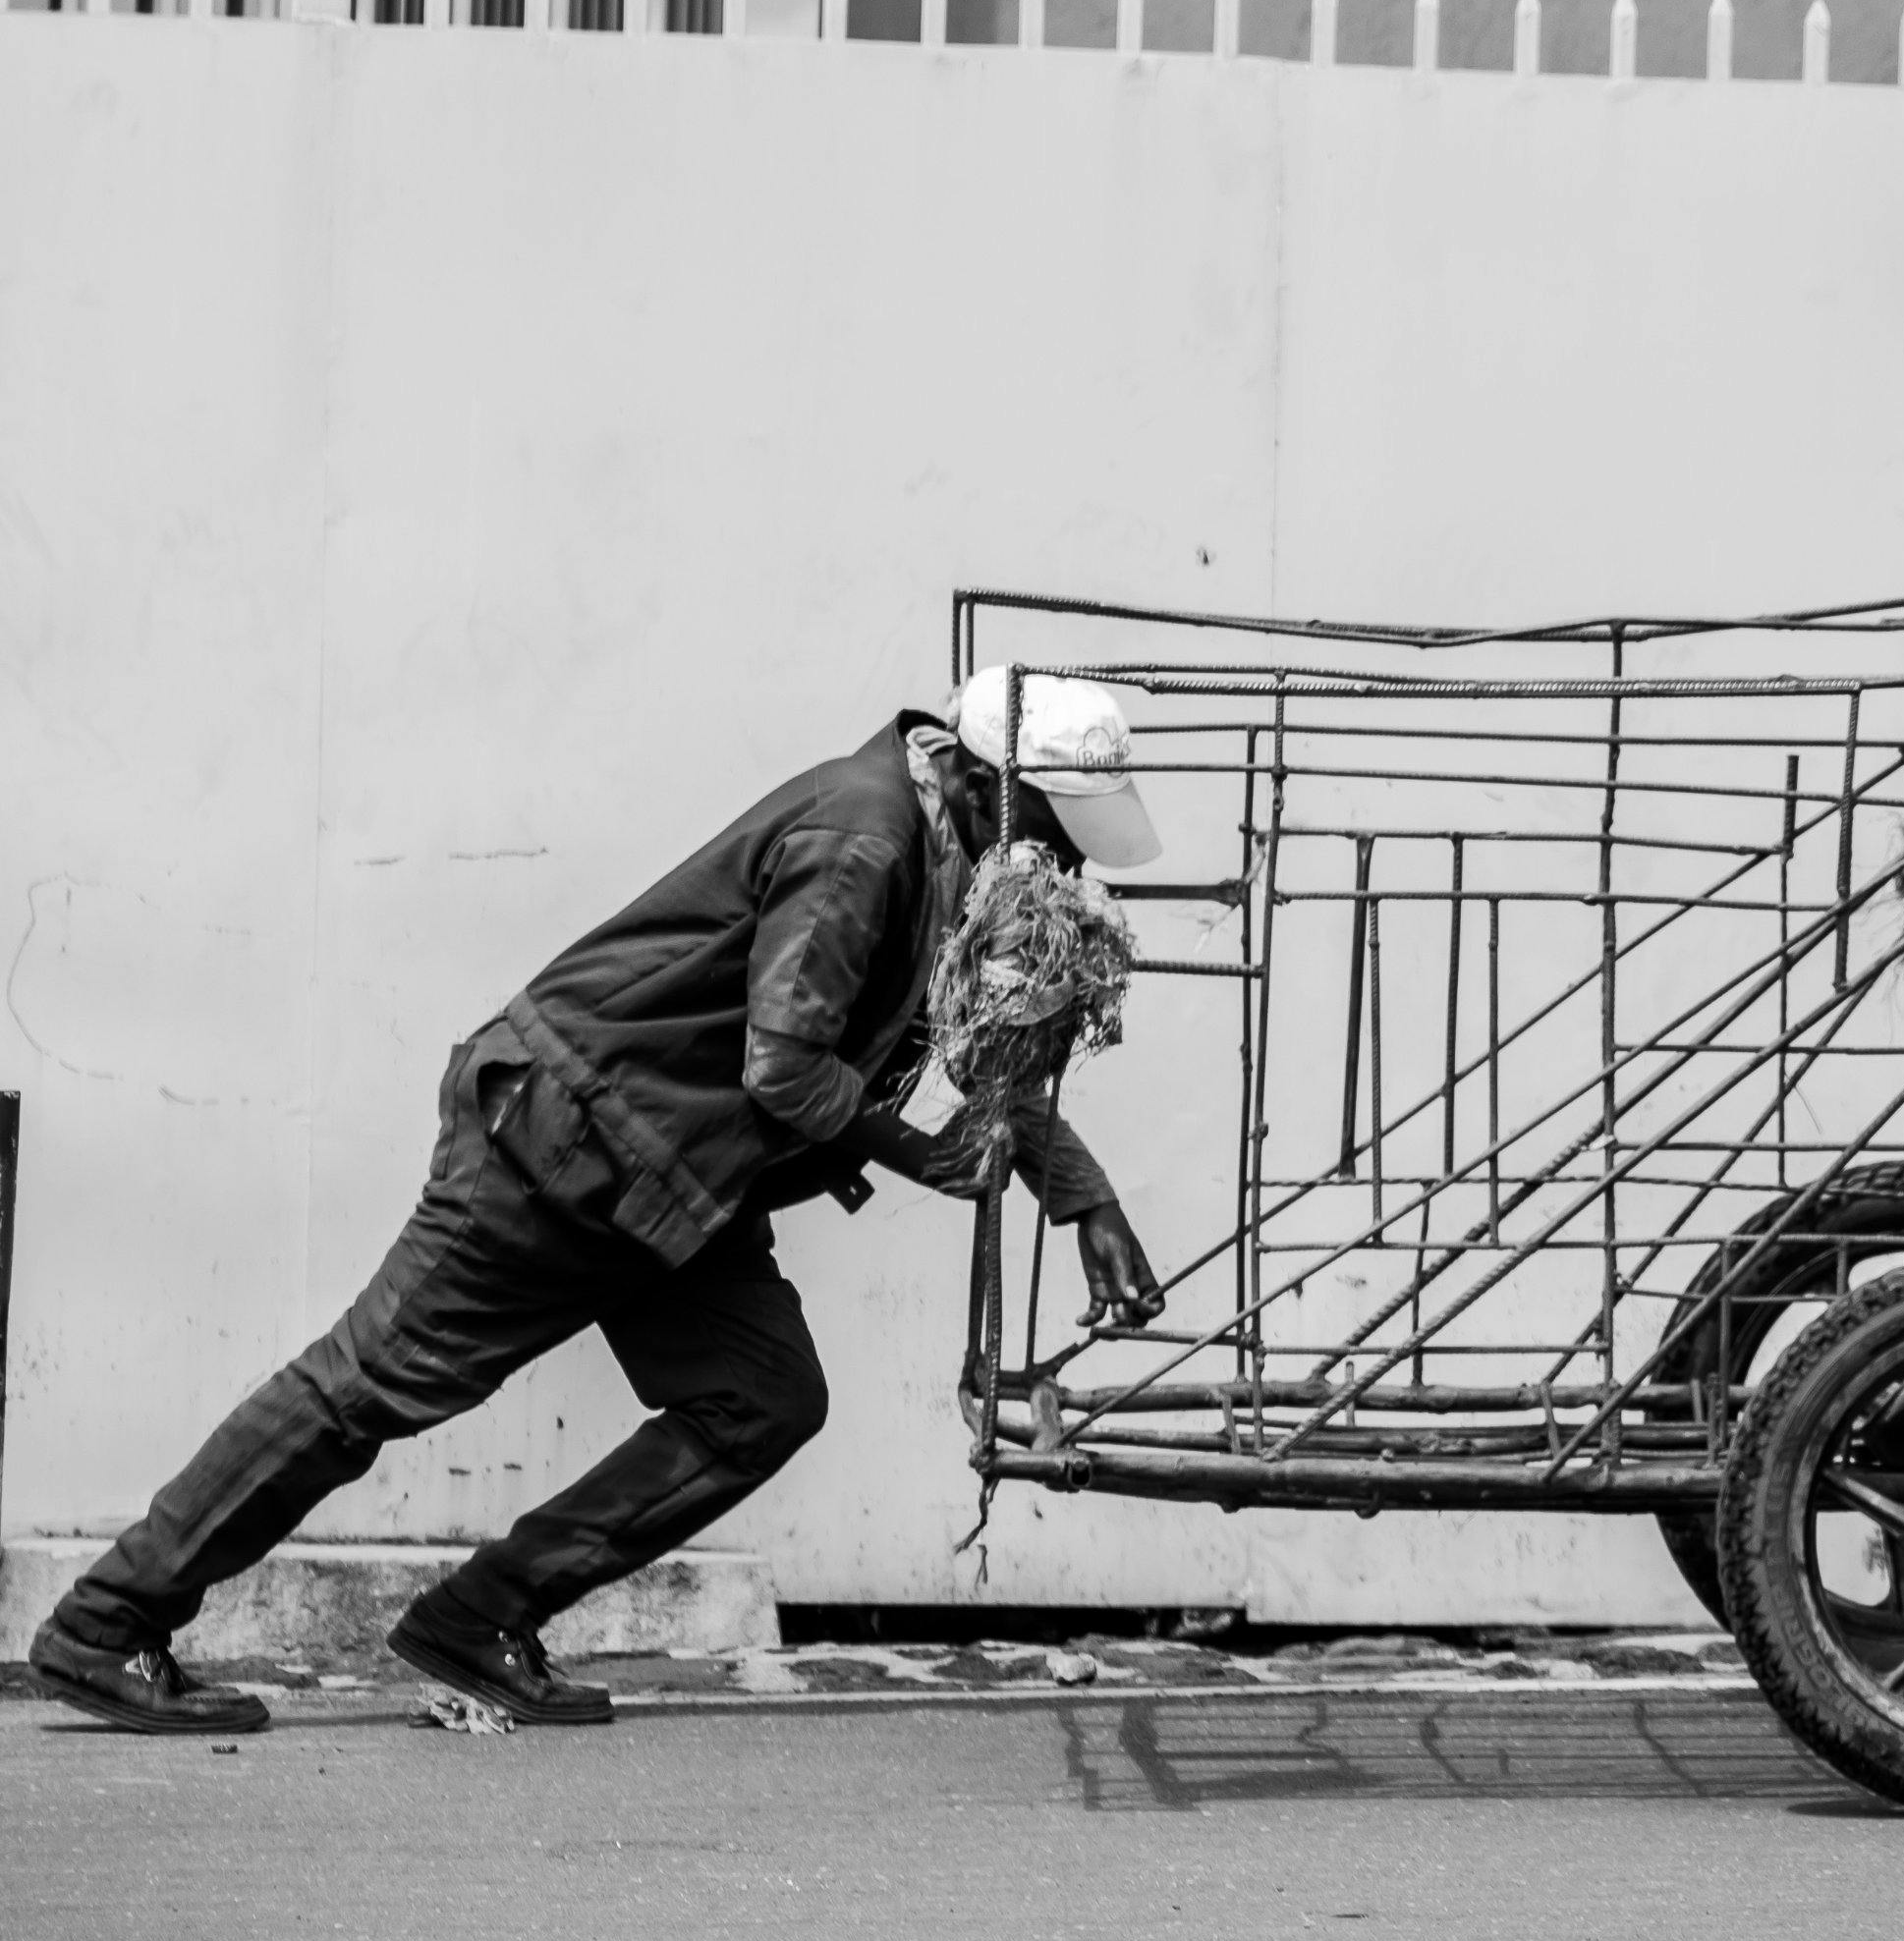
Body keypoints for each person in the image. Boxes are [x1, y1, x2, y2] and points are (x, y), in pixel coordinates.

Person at [24, 669, 1170, 1736]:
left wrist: (1083, 1200)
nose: (1062, 869)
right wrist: (920, 1156)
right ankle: (105, 1627)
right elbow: (784, 1064)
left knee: (760, 1397)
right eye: (1055, 836)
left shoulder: (940, 846)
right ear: (981, 782)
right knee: (363, 1390)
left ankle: (480, 1617)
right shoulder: (865, 837)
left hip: (675, 1178)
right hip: (566, 1142)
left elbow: (972, 1046)